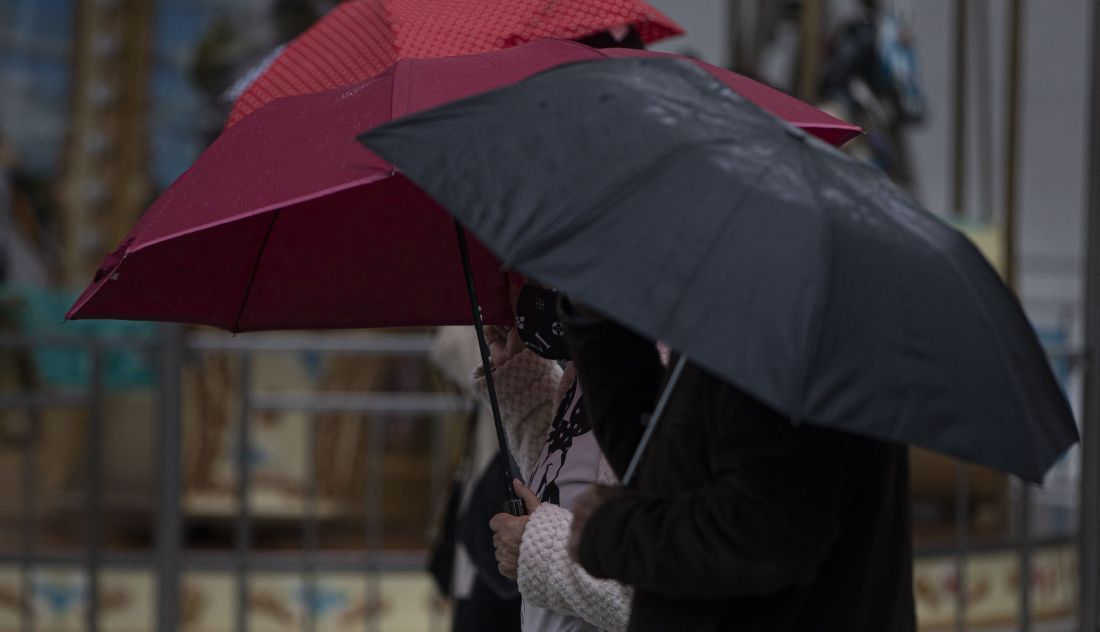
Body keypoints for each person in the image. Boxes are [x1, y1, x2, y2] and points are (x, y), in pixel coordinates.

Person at [558, 298, 916, 632]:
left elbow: (765, 531)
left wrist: (613, 532)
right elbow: (665, 469)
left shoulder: (779, 315)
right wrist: (601, 326)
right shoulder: (733, 301)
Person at [478, 283, 632, 632]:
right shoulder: (596, 358)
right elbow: (566, 484)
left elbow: (671, 588)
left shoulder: (676, 378)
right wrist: (523, 380)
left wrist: (538, 549)